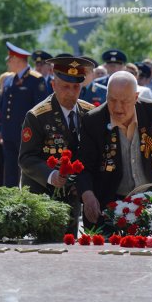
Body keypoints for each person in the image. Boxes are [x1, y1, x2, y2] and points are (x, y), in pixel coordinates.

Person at [77, 71, 152, 230]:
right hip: (110, 205)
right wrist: (87, 195)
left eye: (124, 101)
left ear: (136, 97)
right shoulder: (92, 121)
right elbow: (84, 167)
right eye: (112, 100)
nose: (117, 108)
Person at [18, 57, 96, 235]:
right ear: (53, 85)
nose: (71, 93)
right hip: (43, 195)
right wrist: (51, 175)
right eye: (65, 87)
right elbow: (26, 158)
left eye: (76, 87)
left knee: (70, 247)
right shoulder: (37, 116)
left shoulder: (89, 113)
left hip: (74, 195)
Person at [0, 42, 48, 187]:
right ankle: (10, 200)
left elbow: (41, 108)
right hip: (8, 133)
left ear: (17, 60)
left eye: (9, 59)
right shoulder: (8, 80)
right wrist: (0, 129)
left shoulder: (35, 79)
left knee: (28, 170)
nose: (7, 63)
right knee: (10, 170)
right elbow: (3, 106)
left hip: (27, 133)